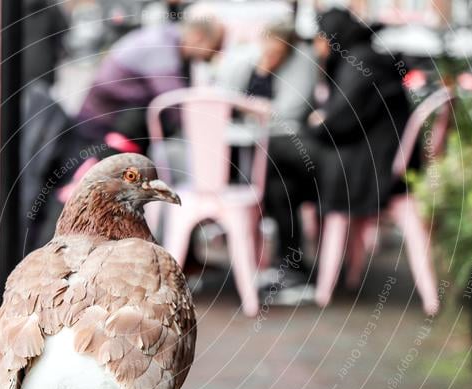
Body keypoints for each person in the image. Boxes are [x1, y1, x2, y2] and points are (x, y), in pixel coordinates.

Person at [263, 8, 411, 305]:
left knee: (273, 148)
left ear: (332, 38)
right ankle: (292, 268)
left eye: (319, 38)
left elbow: (340, 122)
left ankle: (290, 265)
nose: (316, 46)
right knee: (282, 183)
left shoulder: (360, 63)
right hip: (355, 157)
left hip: (362, 166)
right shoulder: (360, 59)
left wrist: (315, 124)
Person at [214, 22, 317, 304]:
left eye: (277, 50)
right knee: (274, 185)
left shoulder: (301, 65)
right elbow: (222, 95)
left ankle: (282, 261)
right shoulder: (247, 61)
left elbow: (289, 112)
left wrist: (250, 108)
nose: (271, 54)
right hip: (257, 147)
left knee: (277, 184)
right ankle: (287, 263)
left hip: (289, 147)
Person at [76, 16, 225, 145]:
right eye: (214, 47)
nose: (211, 57)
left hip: (110, 120)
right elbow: (173, 101)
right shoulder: (162, 47)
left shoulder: (168, 39)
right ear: (199, 36)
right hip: (99, 124)